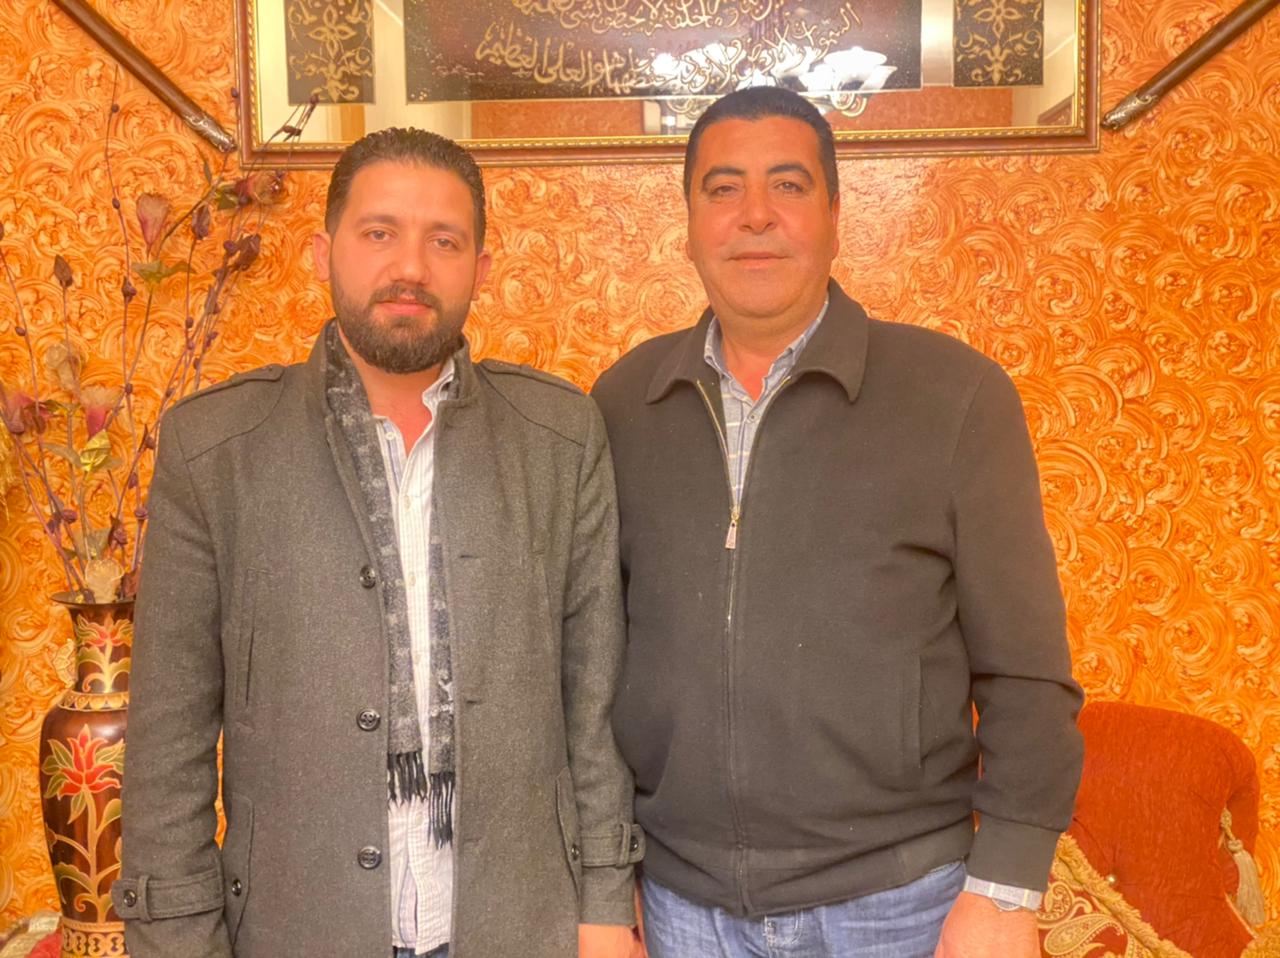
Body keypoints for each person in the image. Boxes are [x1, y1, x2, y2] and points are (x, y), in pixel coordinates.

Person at [114, 128, 644, 958]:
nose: (411, 267)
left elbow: (594, 703)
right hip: (295, 929)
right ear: (322, 252)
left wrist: (607, 906)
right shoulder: (217, 449)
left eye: (444, 241)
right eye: (379, 233)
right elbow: (168, 739)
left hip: (519, 924)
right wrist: (177, 939)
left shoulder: (559, 438)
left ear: (481, 267)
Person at [591, 86, 1084, 957]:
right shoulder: (624, 402)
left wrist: (1006, 889)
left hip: (898, 907)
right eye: (723, 188)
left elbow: (1027, 672)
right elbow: (591, 666)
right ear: (690, 223)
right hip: (682, 910)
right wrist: (604, 883)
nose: (755, 215)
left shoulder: (954, 397)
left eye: (787, 185)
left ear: (833, 214)